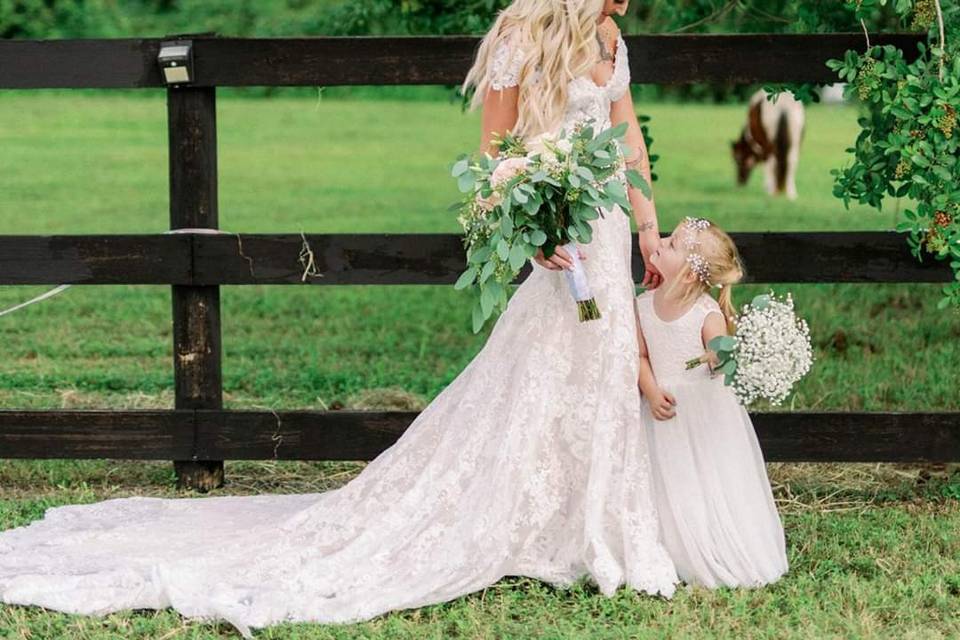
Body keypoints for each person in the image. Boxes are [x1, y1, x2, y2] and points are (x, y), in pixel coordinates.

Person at [0, 1, 679, 637]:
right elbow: (497, 154)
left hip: (609, 229)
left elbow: (632, 152)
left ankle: (589, 522)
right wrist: (534, 230)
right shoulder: (519, 37)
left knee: (602, 355)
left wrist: (648, 231)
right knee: (550, 358)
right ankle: (529, 516)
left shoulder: (611, 40)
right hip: (561, 239)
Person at [634, 216, 790, 588]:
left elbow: (721, 361)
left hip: (701, 413)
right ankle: (669, 545)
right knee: (663, 479)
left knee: (703, 478)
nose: (663, 240)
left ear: (688, 274)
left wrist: (718, 357)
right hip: (661, 408)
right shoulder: (641, 305)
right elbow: (637, 357)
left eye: (672, 245)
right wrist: (652, 391)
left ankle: (707, 538)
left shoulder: (706, 314)